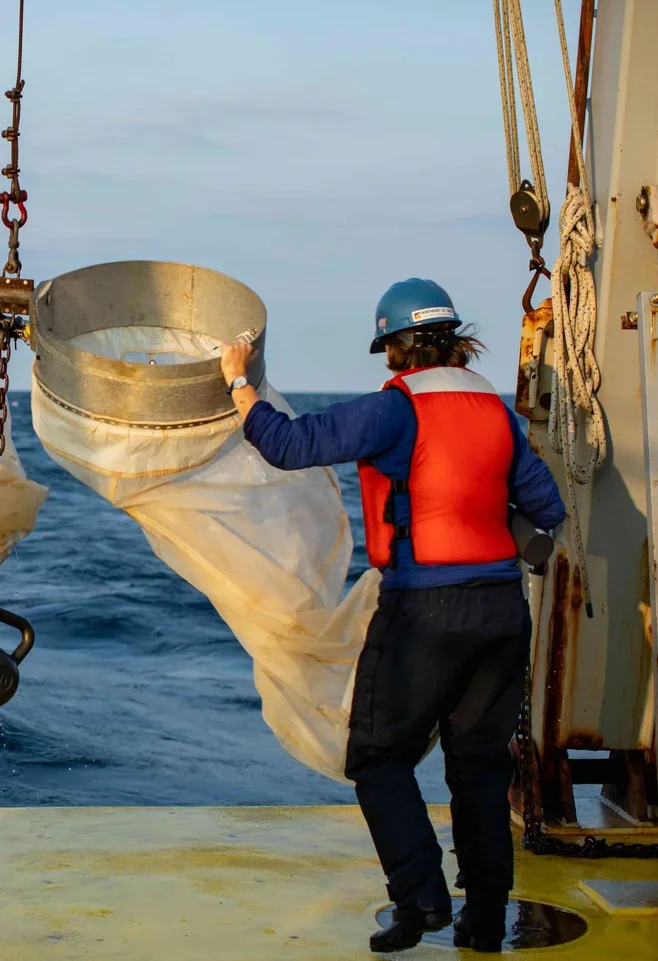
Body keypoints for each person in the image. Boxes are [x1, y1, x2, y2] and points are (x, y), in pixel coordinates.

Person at [219, 278, 565, 954]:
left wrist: (239, 383)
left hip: (422, 612)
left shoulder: (395, 410)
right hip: (501, 614)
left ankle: (422, 897)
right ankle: (485, 920)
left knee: (377, 756)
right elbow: (547, 509)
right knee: (481, 769)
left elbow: (288, 444)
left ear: (396, 348)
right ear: (451, 339)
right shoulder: (493, 411)